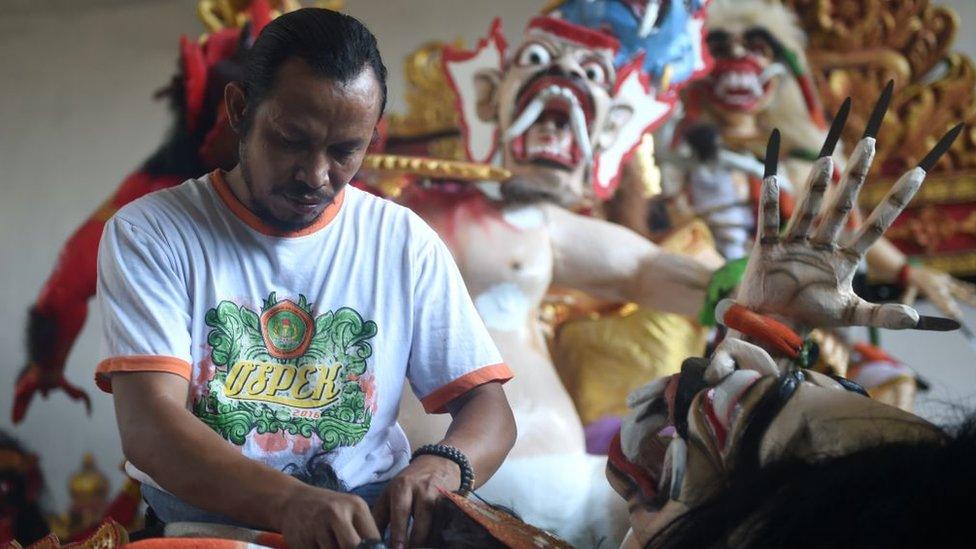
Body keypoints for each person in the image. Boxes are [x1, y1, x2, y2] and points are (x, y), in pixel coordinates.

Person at [95, 8, 516, 549]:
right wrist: (288, 502)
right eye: (292, 139)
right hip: (210, 527)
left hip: (369, 528)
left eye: (345, 151)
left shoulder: (400, 240)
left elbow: (490, 409)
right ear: (240, 110)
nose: (317, 176)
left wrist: (444, 465)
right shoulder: (153, 233)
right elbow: (151, 429)